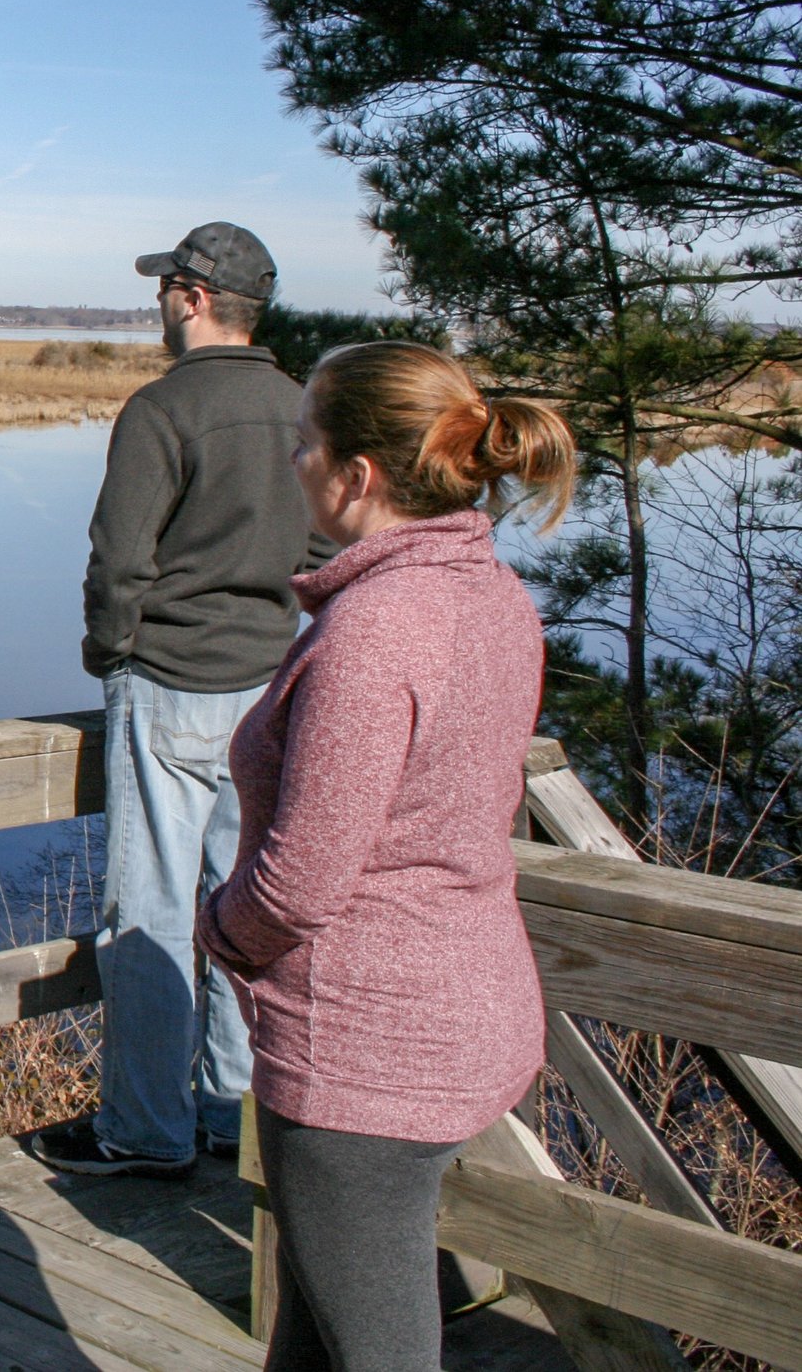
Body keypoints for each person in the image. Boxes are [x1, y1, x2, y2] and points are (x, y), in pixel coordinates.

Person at [200, 341, 573, 1372]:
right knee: (318, 1339)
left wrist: (216, 928)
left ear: (356, 476)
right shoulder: (490, 595)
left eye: (303, 444)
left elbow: (300, 879)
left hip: (362, 1048)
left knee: (375, 1349)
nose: (293, 463)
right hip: (458, 1009)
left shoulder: (373, 632)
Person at [35, 221, 323, 1178]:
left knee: (148, 913)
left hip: (167, 688)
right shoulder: (303, 410)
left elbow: (119, 561)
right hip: (273, 692)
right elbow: (327, 555)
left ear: (194, 299)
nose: (157, 303)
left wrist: (110, 654)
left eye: (166, 289)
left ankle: (144, 1129)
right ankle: (228, 1118)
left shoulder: (161, 411)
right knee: (246, 906)